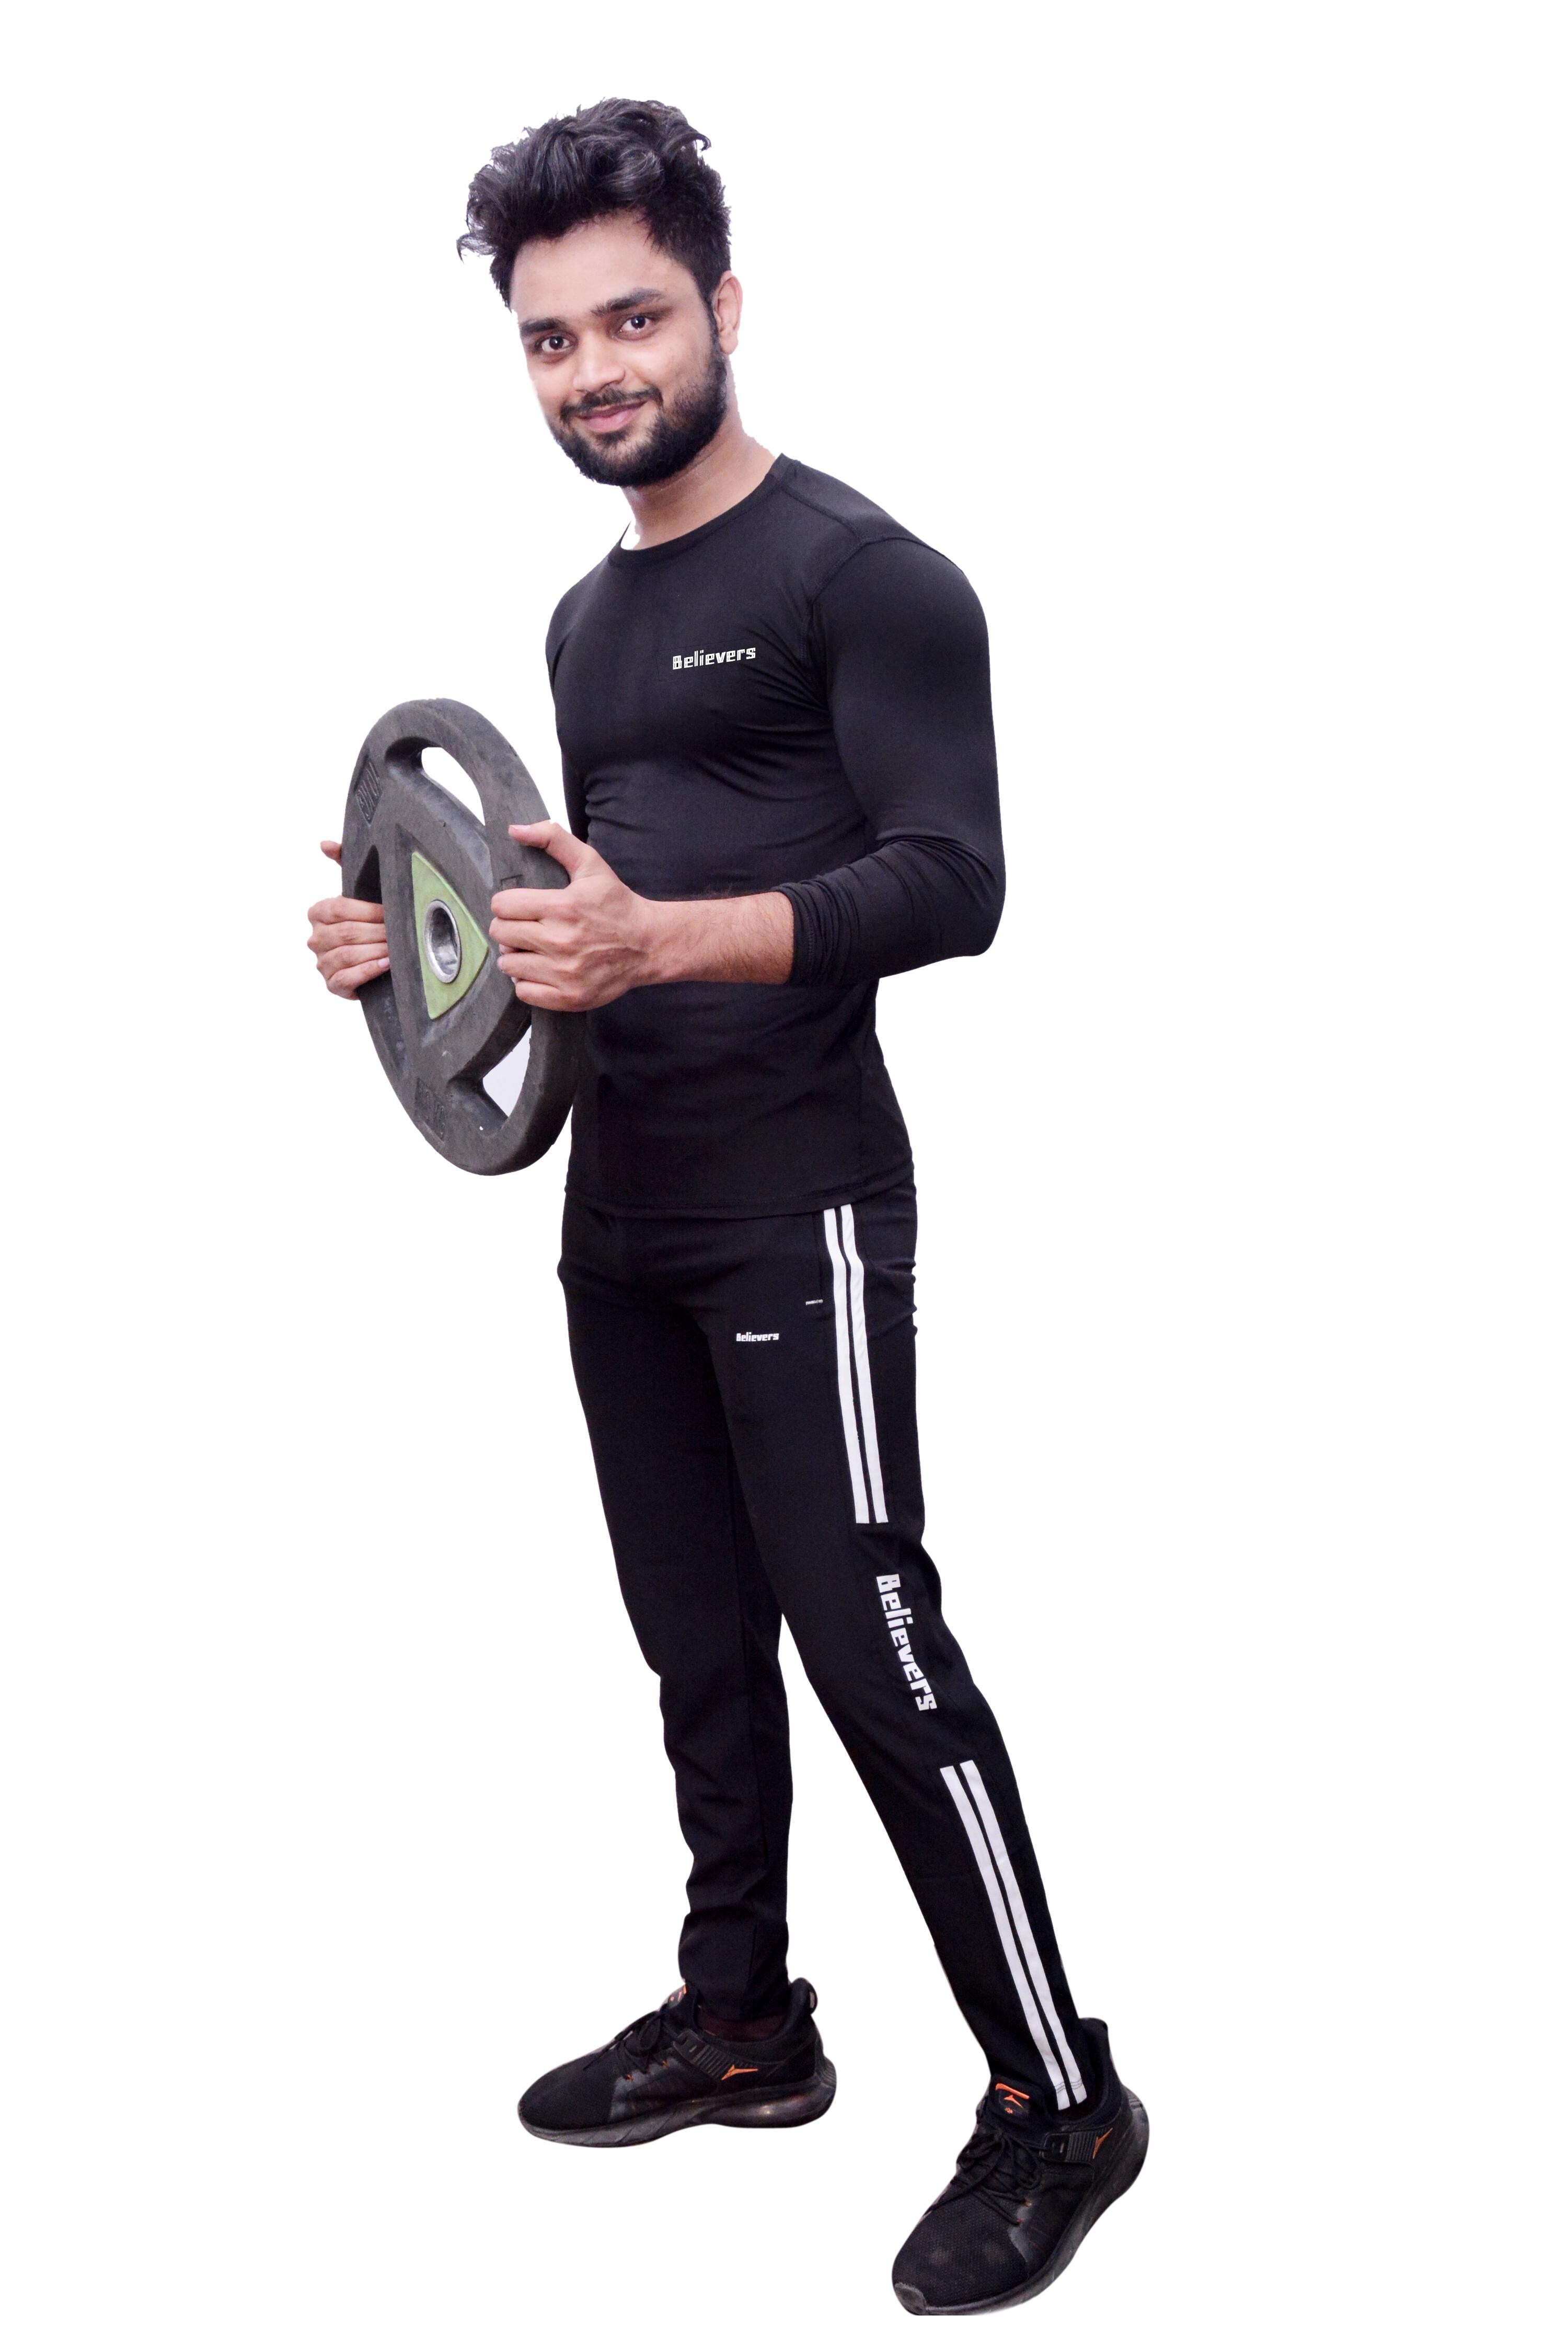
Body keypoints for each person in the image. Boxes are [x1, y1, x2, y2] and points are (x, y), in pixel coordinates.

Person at [306, 98, 1146, 2318]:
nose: (594, 370)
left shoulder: (869, 579)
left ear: (726, 309)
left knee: (872, 1646)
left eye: (634, 320)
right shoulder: (584, 623)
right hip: (623, 1213)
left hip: (800, 1207)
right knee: (695, 1644)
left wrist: (658, 941)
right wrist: (414, 943)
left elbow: (953, 882)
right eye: (550, 337)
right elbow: (565, 910)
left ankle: (1062, 2097)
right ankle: (746, 2019)